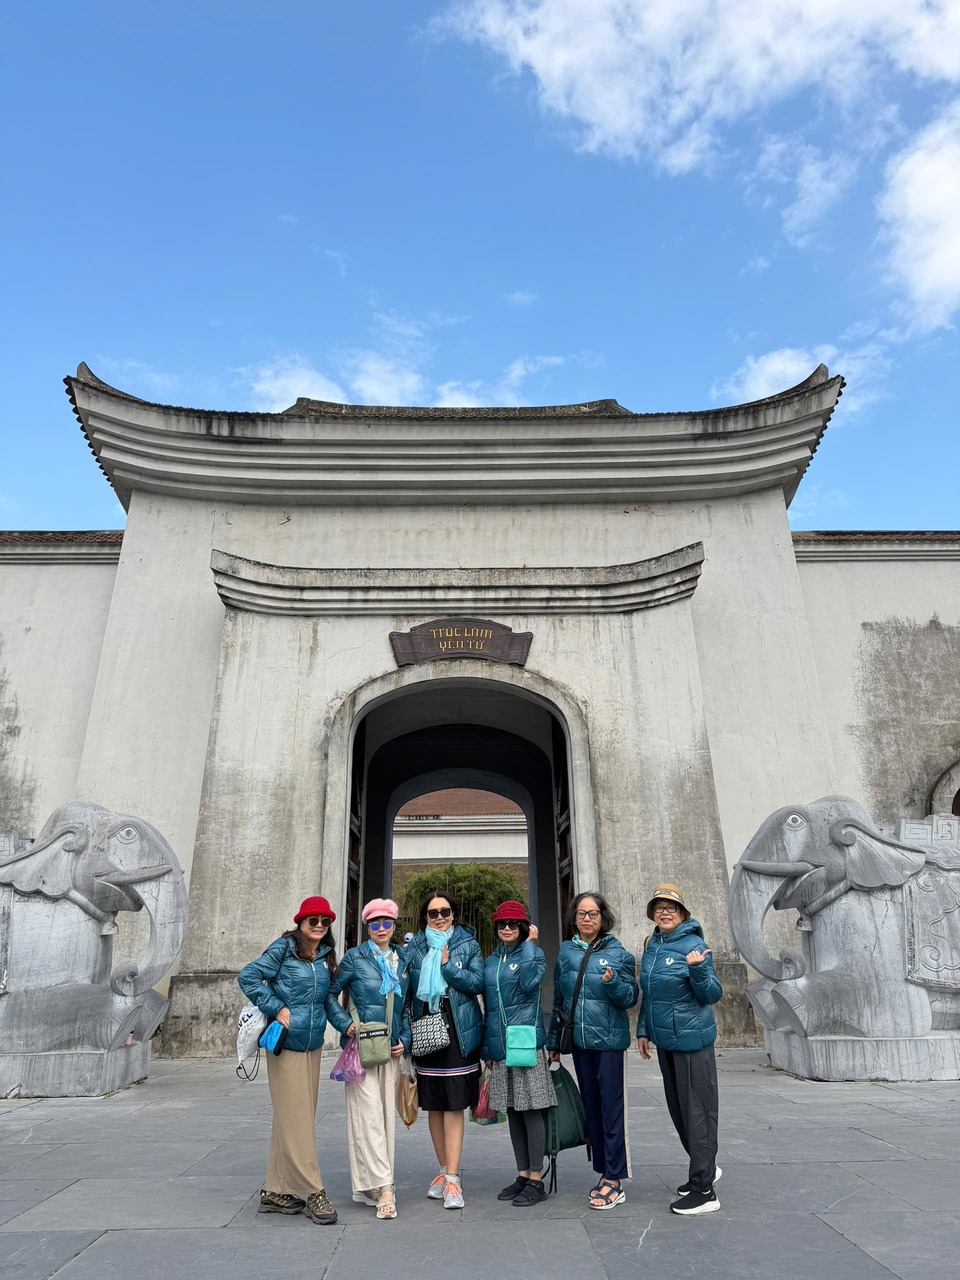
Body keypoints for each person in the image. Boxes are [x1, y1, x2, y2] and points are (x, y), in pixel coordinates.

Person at [238, 895, 343, 1225]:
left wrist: (347, 1027)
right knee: (297, 1120)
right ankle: (313, 1190)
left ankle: (276, 1190)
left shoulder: (325, 955)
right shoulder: (284, 948)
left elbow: (327, 1000)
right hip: (287, 1045)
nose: (319, 925)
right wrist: (275, 1006)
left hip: (312, 1045)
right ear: (300, 922)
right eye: (313, 920)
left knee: (293, 1117)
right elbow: (248, 976)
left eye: (325, 921)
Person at [547, 891, 638, 1210]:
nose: (587, 919)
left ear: (603, 918)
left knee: (612, 1110)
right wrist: (554, 1043)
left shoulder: (618, 954)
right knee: (592, 1109)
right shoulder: (566, 953)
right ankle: (603, 1171)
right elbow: (559, 1000)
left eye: (593, 914)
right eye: (582, 913)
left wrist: (613, 984)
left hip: (610, 1044)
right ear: (574, 918)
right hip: (581, 1044)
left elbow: (630, 998)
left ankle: (615, 1178)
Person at [637, 883, 722, 1217]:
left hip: (692, 1042)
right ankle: (703, 1168)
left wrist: (698, 970)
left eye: (671, 907)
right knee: (680, 1111)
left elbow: (712, 994)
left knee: (698, 1113)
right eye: (659, 907)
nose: (665, 912)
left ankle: (705, 1190)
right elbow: (650, 993)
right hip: (665, 1041)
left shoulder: (694, 945)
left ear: (683, 913)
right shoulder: (652, 945)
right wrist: (643, 1030)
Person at [327, 897, 410, 1219]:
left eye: (386, 922)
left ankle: (372, 1184)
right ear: (367, 926)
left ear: (394, 925)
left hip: (390, 1050)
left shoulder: (402, 960)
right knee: (368, 1116)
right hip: (361, 1049)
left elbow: (410, 1005)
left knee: (385, 1118)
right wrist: (345, 1024)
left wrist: (405, 1038)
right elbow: (330, 994)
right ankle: (386, 1187)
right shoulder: (355, 957)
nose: (381, 928)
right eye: (375, 923)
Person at [404, 890, 484, 1209]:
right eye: (433, 913)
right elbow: (406, 990)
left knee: (453, 1104)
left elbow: (478, 982)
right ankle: (442, 1170)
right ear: (425, 916)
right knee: (434, 1104)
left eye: (445, 912)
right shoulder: (415, 947)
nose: (440, 918)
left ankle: (453, 1178)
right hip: (426, 1029)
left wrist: (449, 969)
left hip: (458, 1029)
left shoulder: (468, 943)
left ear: (454, 914)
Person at [482, 900, 556, 1207]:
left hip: (525, 1041)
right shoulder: (491, 960)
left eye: (514, 924)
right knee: (513, 1109)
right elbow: (488, 1007)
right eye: (502, 924)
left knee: (531, 1109)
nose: (508, 928)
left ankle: (537, 1179)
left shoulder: (533, 954)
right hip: (501, 1044)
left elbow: (529, 984)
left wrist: (528, 946)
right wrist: (487, 1047)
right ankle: (523, 1174)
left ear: (524, 927)